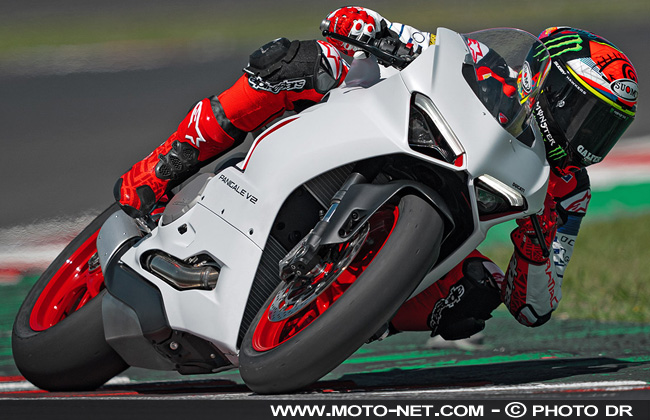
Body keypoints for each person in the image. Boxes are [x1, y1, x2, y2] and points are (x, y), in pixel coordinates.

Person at [114, 7, 638, 341]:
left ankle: (346, 320)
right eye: (585, 115)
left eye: (605, 130)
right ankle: (161, 169)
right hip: (389, 126)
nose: (588, 139)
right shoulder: (486, 62)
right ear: (547, 80)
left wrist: (537, 246)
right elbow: (382, 31)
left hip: (447, 215)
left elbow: (534, 308)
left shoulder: (567, 191)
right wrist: (370, 28)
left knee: (478, 292)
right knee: (293, 62)